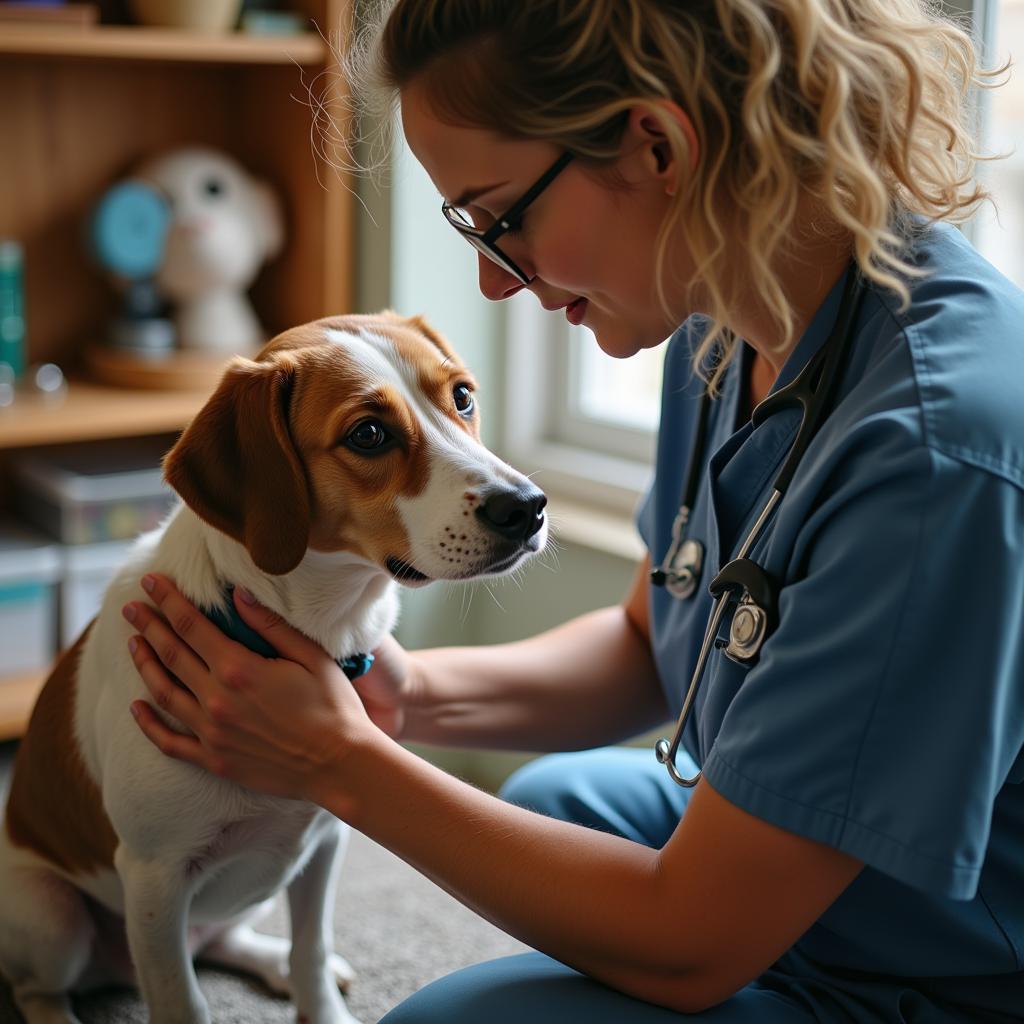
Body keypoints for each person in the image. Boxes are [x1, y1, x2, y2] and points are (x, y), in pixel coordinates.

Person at [122, 0, 1024, 1020]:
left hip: (951, 964)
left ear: (655, 146)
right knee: (551, 800)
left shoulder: (932, 454)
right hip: (817, 874)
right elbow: (652, 644)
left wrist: (339, 761)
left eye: (498, 218)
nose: (490, 282)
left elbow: (688, 945)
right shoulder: (720, 315)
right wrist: (392, 697)